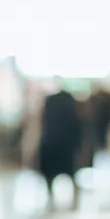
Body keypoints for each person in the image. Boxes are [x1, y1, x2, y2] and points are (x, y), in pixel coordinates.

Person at [34, 80, 84, 209]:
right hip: (65, 143)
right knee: (71, 172)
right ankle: (74, 200)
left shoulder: (50, 103)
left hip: (51, 141)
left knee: (51, 173)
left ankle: (50, 195)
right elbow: (77, 125)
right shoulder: (70, 104)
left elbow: (41, 123)